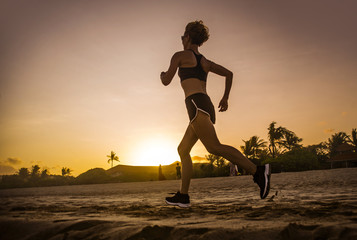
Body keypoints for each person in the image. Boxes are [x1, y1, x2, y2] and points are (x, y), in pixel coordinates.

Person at [161, 20, 270, 208]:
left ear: (187, 37)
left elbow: (166, 81)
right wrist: (225, 98)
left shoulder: (179, 56)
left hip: (195, 104)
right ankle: (183, 196)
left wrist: (162, 74)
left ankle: (258, 171)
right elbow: (229, 74)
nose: (181, 41)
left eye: (182, 37)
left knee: (214, 147)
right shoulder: (204, 61)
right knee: (183, 150)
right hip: (204, 104)